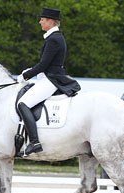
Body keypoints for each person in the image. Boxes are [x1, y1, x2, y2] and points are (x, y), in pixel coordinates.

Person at [16, 7, 81, 156]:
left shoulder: (54, 39)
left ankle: (34, 142)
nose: (40, 22)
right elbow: (47, 64)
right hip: (48, 77)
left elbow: (44, 65)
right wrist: (31, 70)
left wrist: (26, 75)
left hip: (51, 80)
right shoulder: (54, 37)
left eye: (43, 20)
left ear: (51, 22)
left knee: (23, 103)